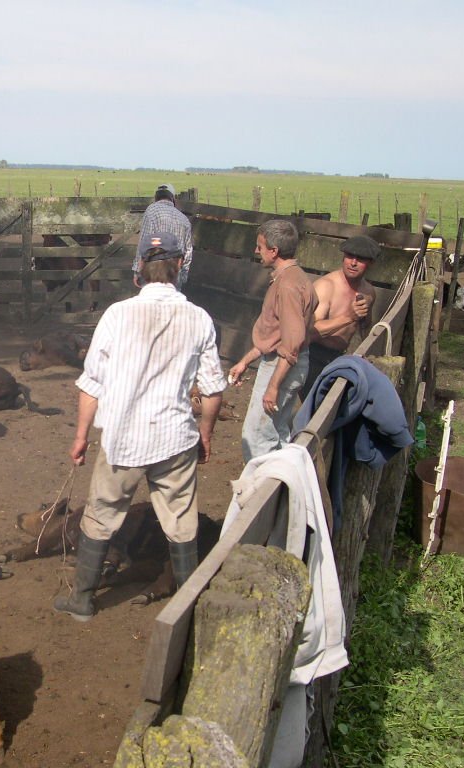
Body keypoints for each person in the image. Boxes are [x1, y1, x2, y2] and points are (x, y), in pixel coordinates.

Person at [54, 232, 225, 622]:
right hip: (175, 437)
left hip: (124, 438)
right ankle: (187, 605)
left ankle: (82, 599)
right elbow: (213, 390)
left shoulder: (117, 315)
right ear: (179, 266)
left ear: (140, 271)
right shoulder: (198, 318)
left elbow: (91, 384)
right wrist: (206, 433)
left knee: (101, 513)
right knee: (181, 520)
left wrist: (80, 437)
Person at [228, 219, 316, 463]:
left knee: (257, 437)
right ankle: (282, 491)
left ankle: (263, 494)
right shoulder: (294, 278)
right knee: (276, 433)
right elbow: (277, 333)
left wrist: (273, 386)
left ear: (274, 251)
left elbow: (292, 342)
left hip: (282, 366)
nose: (257, 252)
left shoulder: (287, 286)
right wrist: (245, 361)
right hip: (285, 364)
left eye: (260, 246)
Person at [299, 235, 378, 400]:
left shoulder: (368, 292)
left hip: (338, 357)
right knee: (313, 412)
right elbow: (310, 332)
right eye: (350, 256)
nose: (353, 263)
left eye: (360, 259)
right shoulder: (326, 286)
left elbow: (365, 327)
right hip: (312, 356)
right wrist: (349, 317)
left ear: (371, 263)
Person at [133, 183, 194, 290]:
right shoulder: (184, 219)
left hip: (153, 271)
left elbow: (144, 241)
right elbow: (188, 251)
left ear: (156, 197)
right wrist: (183, 275)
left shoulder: (151, 211)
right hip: (174, 273)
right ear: (172, 198)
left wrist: (138, 271)